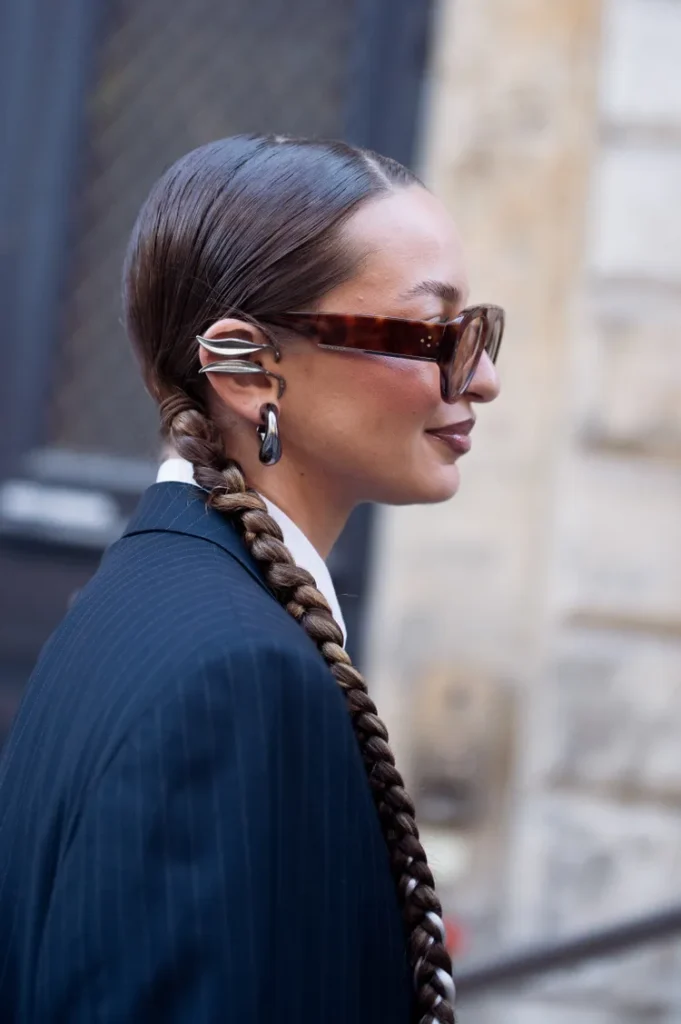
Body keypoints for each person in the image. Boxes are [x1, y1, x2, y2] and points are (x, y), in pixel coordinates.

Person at [0, 135, 502, 1023]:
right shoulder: (231, 674)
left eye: (476, 332)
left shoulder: (151, 602)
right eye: (433, 332)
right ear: (243, 368)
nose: (483, 377)